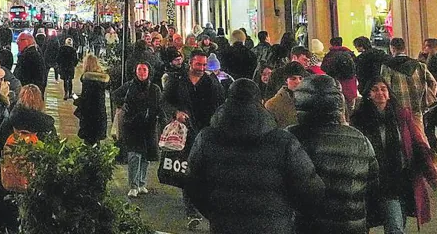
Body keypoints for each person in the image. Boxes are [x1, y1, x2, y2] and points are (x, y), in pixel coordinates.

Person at [187, 79, 324, 234]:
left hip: (224, 224)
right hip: (274, 225)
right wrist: (286, 211)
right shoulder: (283, 141)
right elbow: (310, 187)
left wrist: (214, 211)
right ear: (261, 102)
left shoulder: (206, 138)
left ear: (227, 100)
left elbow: (193, 184)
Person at [287, 75, 378, 234]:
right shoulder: (359, 139)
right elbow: (372, 187)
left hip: (305, 226)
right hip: (350, 225)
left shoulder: (290, 137)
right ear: (338, 102)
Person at [351, 77, 437, 233]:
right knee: (395, 225)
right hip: (381, 181)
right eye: (375, 89)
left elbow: (418, 144)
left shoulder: (401, 116)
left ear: (389, 93)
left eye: (383, 89)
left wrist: (431, 175)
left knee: (399, 219)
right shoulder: (361, 120)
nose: (380, 92)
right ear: (368, 95)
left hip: (404, 178)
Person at [162, 50, 225, 229]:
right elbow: (164, 101)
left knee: (204, 172)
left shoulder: (211, 83)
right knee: (188, 171)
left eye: (204, 65)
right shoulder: (177, 80)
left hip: (206, 132)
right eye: (199, 64)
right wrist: (176, 113)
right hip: (185, 133)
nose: (202, 68)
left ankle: (203, 206)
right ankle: (191, 211)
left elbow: (220, 104)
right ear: (190, 63)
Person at [0, 85, 55, 233]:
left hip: (9, 182)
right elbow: (52, 155)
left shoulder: (10, 122)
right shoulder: (47, 126)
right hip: (35, 183)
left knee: (8, 216)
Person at [111, 62, 163, 198]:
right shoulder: (129, 86)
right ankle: (133, 186)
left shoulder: (155, 89)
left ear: (149, 71)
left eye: (144, 69)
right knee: (134, 155)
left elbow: (159, 105)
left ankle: (141, 183)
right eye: (139, 69)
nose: (142, 72)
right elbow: (115, 94)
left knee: (146, 157)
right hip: (132, 126)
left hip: (149, 127)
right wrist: (124, 105)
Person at [381, 37, 437, 131]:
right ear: (404, 48)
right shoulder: (419, 65)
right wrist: (427, 99)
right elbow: (433, 83)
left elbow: (385, 87)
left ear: (392, 48)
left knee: (403, 135)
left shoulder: (387, 66)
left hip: (398, 108)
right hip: (417, 106)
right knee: (419, 135)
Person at [75, 54, 110, 144]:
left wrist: (76, 100)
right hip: (100, 115)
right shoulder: (102, 80)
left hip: (89, 116)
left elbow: (86, 99)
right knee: (96, 142)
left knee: (88, 143)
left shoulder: (87, 80)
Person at [321, 36, 358, 115]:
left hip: (335, 85)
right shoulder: (349, 53)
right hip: (350, 86)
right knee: (351, 108)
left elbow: (323, 67)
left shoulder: (330, 55)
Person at [265, 62, 308, 128]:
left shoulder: (309, 102)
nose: (298, 81)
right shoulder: (272, 104)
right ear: (286, 80)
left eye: (301, 78)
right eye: (293, 78)